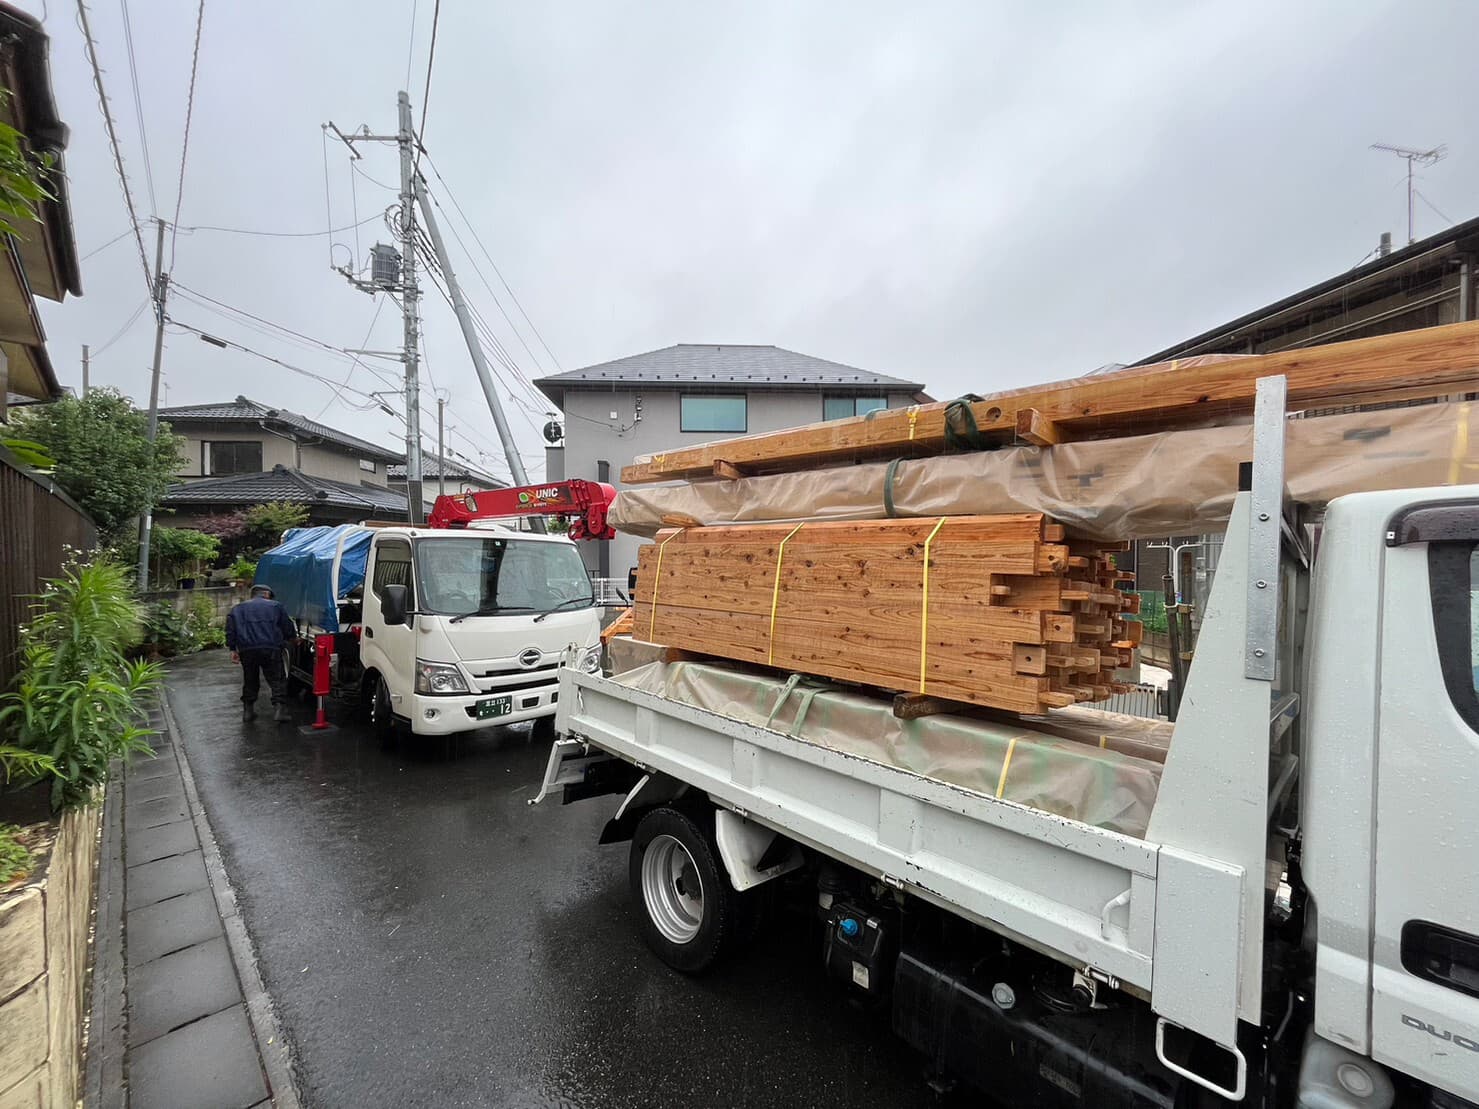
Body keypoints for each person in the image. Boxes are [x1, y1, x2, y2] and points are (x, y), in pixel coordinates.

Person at [225, 584, 298, 722]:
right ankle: (279, 710)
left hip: (247, 650)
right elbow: (287, 626)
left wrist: (233, 649)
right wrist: (292, 639)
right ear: (266, 594)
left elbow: (230, 631)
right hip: (270, 648)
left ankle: (248, 711)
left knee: (250, 679)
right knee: (277, 679)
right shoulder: (276, 606)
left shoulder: (237, 609)